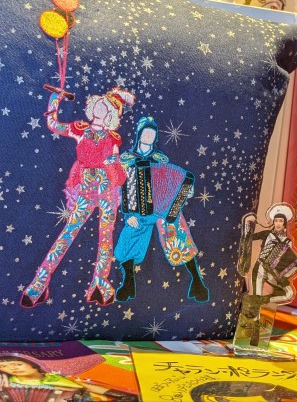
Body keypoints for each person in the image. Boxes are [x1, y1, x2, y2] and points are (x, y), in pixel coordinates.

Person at [21, 87, 135, 308]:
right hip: (86, 186)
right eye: (99, 102)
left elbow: (115, 164)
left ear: (111, 114)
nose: (100, 106)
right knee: (69, 231)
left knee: (106, 235)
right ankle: (40, 281)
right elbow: (53, 124)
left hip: (107, 187)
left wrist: (114, 165)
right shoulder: (80, 129)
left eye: (106, 105)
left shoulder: (113, 138)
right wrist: (55, 100)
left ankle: (100, 283)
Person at [114, 116, 209, 303]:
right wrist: (128, 214)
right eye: (146, 132)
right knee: (128, 238)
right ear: (139, 134)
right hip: (138, 212)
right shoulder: (126, 159)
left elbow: (172, 182)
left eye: (153, 133)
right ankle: (128, 283)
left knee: (179, 236)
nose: (149, 136)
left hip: (164, 211)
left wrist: (186, 191)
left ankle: (197, 282)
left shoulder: (160, 159)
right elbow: (120, 188)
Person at [237, 203, 297, 346]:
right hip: (260, 268)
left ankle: (261, 300)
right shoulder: (267, 234)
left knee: (289, 293)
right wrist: (247, 224)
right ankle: (254, 332)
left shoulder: (287, 241)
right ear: (273, 222)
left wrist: (283, 275)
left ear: (284, 224)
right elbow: (249, 237)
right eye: (276, 220)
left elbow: (289, 261)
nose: (278, 223)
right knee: (256, 294)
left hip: (274, 273)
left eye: (281, 221)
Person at [0, 354, 138, 401]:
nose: (13, 368)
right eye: (4, 366)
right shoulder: (5, 383)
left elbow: (85, 387)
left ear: (33, 364)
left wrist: (122, 396)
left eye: (18, 364)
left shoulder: (55, 378)